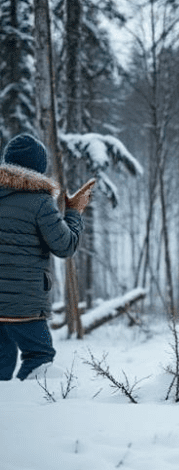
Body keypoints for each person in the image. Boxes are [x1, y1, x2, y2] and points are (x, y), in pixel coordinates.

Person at [0, 134, 91, 381]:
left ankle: (10, 410)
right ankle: (30, 408)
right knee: (40, 355)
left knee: (2, 362)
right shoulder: (40, 202)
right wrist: (74, 211)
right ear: (39, 167)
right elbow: (65, 247)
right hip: (25, 306)